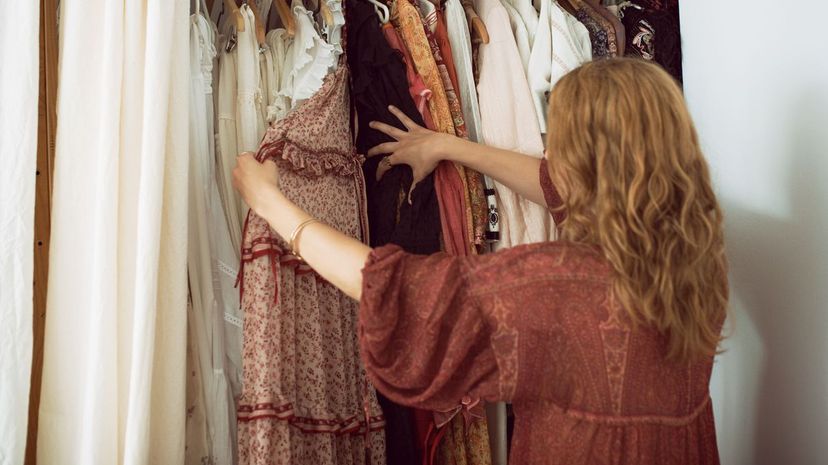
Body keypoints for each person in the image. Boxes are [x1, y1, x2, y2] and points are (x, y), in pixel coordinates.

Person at [232, 58, 728, 464]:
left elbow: (394, 287)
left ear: (588, 166)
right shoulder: (697, 257)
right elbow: (554, 181)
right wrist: (448, 146)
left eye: (560, 143)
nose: (550, 151)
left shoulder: (558, 285)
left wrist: (271, 203)